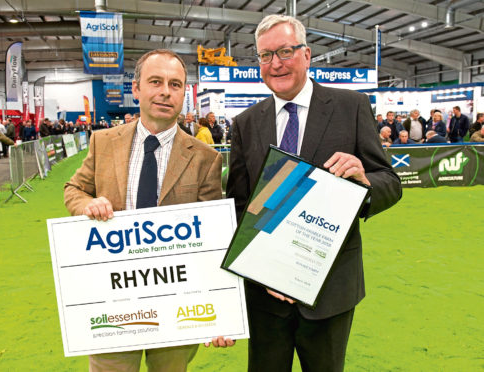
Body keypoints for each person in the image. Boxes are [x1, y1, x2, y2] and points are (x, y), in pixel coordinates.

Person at [227, 15, 401, 372]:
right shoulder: (245, 123)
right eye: (265, 55)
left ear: (307, 54)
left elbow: (389, 180)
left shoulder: (350, 106)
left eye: (285, 51)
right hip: (265, 293)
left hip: (330, 290)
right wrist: (258, 272)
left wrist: (365, 185)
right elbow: (240, 204)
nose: (275, 63)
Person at [64, 49, 233, 372]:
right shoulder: (103, 142)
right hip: (112, 299)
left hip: (176, 303)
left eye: (175, 84)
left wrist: (220, 312)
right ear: (137, 89)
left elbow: (212, 240)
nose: (165, 91)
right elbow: (74, 189)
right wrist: (88, 204)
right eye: (155, 81)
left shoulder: (205, 158)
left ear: (184, 93)